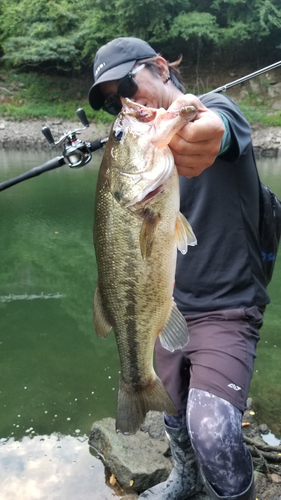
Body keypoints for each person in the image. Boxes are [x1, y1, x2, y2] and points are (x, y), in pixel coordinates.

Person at [88, 37, 269, 500]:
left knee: (210, 427)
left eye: (127, 86)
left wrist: (203, 126)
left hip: (227, 307)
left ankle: (235, 492)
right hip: (165, 302)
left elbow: (219, 128)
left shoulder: (216, 109)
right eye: (113, 104)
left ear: (161, 68)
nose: (124, 102)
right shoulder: (146, 167)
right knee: (171, 405)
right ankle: (185, 478)